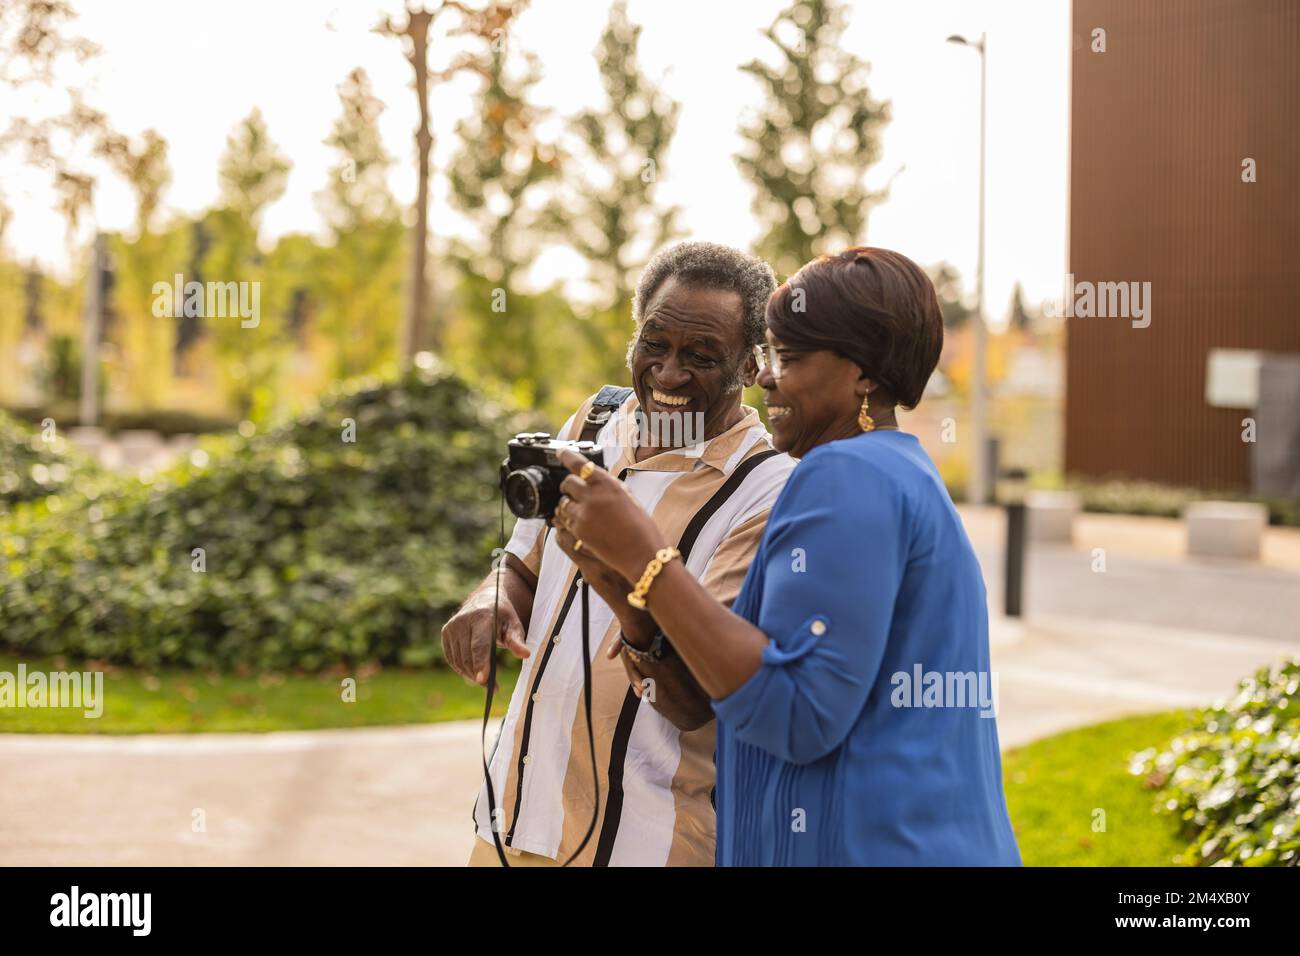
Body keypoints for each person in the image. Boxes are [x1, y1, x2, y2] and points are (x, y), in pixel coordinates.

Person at [553, 247, 1022, 866]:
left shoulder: (845, 474)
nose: (767, 376)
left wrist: (648, 559)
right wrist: (624, 587)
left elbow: (796, 713)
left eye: (791, 358)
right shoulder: (903, 471)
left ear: (866, 376)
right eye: (770, 354)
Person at [442, 241, 796, 866]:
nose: (668, 374)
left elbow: (697, 699)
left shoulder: (767, 490)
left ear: (749, 366)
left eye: (702, 356)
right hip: (514, 821)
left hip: (646, 841)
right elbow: (523, 562)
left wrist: (627, 575)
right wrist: (492, 599)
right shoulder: (595, 421)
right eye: (654, 345)